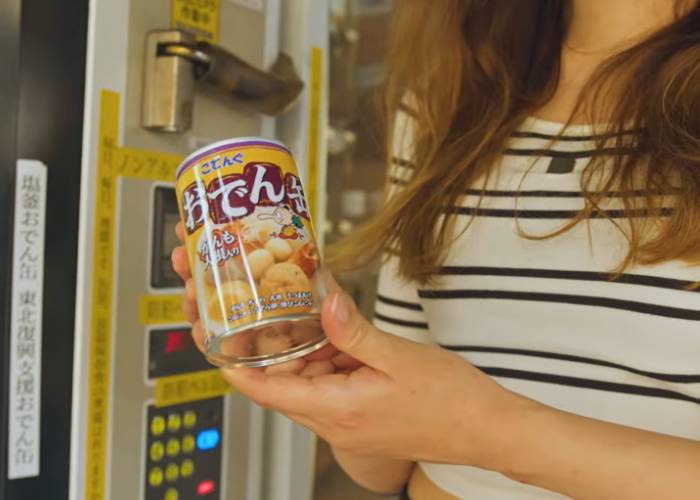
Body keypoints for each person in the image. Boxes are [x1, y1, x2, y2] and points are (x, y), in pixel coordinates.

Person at [172, 1, 700, 498]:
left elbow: (460, 429)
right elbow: (388, 466)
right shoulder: (444, 103)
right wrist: (331, 367)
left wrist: (485, 432)